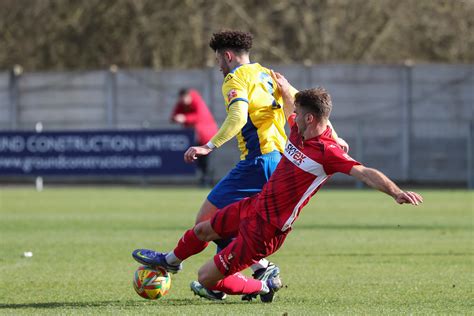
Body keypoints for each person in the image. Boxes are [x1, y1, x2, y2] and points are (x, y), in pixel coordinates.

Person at [132, 74, 423, 303]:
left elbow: (364, 172)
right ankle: (170, 263)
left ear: (311, 118)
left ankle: (263, 284)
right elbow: (291, 102)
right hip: (254, 206)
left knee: (206, 277)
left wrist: (395, 192)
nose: (292, 113)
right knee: (202, 230)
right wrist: (284, 87)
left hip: (268, 230)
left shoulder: (328, 152)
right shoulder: (298, 130)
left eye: (298, 111)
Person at [180, 30, 348, 301]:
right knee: (235, 222)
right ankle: (245, 273)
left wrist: (208, 146)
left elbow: (237, 116)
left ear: (228, 55)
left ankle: (259, 270)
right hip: (278, 159)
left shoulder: (235, 78)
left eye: (218, 60)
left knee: (205, 223)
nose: (218, 66)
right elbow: (311, 108)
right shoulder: (269, 74)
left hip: (259, 160)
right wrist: (334, 135)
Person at [171, 88, 218, 186]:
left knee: (204, 159)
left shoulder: (197, 101)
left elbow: (199, 117)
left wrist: (185, 118)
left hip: (207, 136)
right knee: (199, 160)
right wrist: (177, 118)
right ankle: (204, 178)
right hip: (195, 137)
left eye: (185, 98)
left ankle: (206, 179)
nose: (183, 101)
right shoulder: (182, 104)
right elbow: (173, 116)